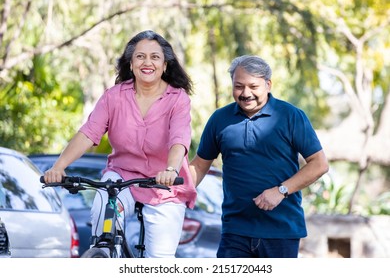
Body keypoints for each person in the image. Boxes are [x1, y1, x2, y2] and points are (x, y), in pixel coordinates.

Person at [43, 30, 197, 258]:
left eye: (155, 57)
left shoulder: (178, 99)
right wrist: (59, 166)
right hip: (121, 177)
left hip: (164, 185)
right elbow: (88, 133)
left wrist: (171, 169)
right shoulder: (114, 96)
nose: (147, 62)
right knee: (102, 207)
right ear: (131, 64)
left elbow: (179, 139)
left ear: (165, 65)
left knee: (160, 260)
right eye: (140, 56)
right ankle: (106, 252)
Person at [189, 55, 329, 258]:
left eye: (253, 86)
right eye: (239, 86)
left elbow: (319, 164)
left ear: (268, 84)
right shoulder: (219, 119)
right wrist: (173, 194)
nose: (246, 93)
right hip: (234, 231)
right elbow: (200, 166)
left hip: (281, 231)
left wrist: (281, 191)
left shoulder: (290, 116)